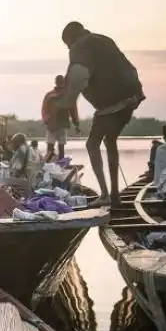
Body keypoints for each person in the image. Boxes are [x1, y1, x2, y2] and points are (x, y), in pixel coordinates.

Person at [56, 21, 145, 207]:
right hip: (133, 95)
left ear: (71, 39)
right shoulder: (103, 39)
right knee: (110, 140)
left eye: (67, 45)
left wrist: (66, 101)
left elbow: (79, 76)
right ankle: (114, 194)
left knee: (91, 144)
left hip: (113, 101)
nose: (68, 49)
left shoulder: (81, 45)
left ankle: (105, 194)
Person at [42, 75, 80, 160]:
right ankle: (60, 164)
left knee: (50, 146)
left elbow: (44, 110)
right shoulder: (68, 95)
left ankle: (49, 164)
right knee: (61, 147)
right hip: (61, 125)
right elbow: (74, 111)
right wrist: (76, 124)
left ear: (56, 82)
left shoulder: (49, 95)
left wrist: (46, 120)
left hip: (52, 124)